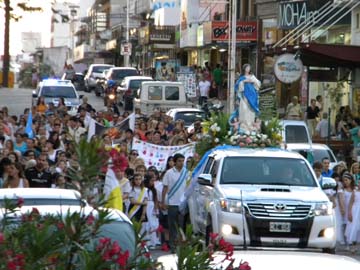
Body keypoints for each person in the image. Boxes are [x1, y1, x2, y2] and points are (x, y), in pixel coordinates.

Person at [161, 153, 188, 253]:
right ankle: (172, 246)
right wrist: (163, 201)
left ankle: (182, 246)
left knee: (182, 225)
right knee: (172, 225)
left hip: (183, 203)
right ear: (175, 162)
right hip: (172, 203)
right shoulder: (169, 173)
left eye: (182, 161)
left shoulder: (186, 173)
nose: (181, 163)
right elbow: (165, 187)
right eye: (179, 161)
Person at [234, 64, 261, 132]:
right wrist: (244, 81)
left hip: (252, 95)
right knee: (244, 109)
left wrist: (253, 81)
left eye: (249, 68)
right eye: (247, 68)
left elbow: (258, 83)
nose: (248, 69)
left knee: (251, 110)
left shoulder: (252, 76)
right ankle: (244, 125)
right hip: (245, 95)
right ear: (244, 69)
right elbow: (237, 86)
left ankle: (251, 124)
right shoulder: (242, 77)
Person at [345, 176, 360, 254]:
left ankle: (357, 246)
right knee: (353, 228)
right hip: (355, 211)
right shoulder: (355, 192)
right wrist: (349, 213)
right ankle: (352, 246)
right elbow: (350, 203)